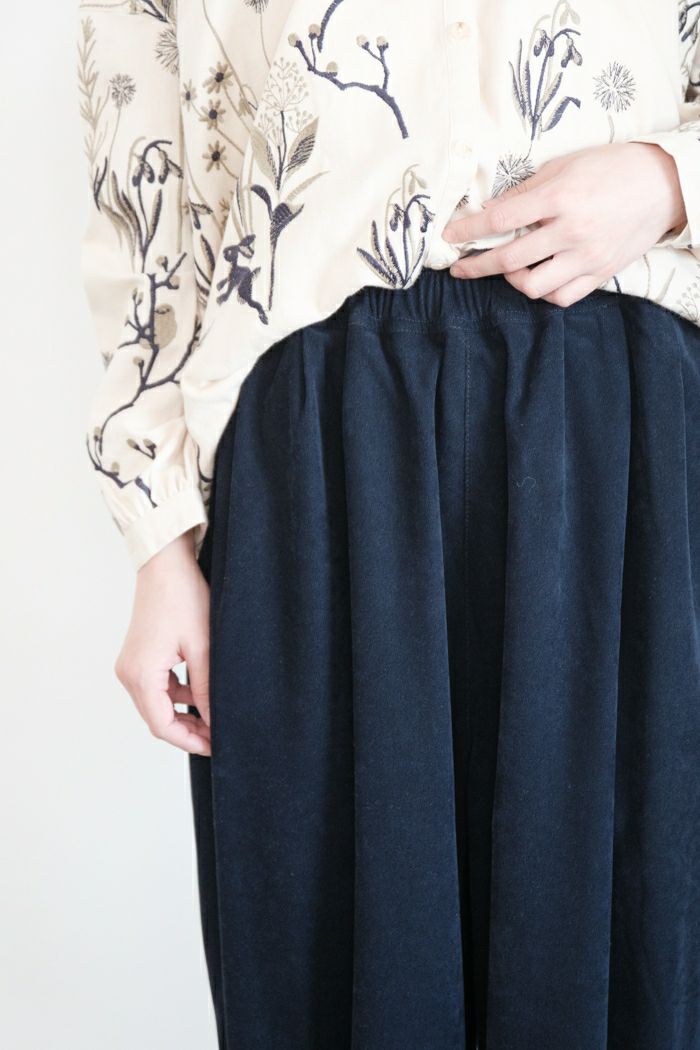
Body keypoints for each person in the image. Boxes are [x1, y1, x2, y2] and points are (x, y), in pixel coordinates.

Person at [75, 2, 700, 1047]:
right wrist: (159, 535)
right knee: (327, 970)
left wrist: (674, 180)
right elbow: (139, 135)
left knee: (628, 956)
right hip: (311, 425)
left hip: (615, 405)